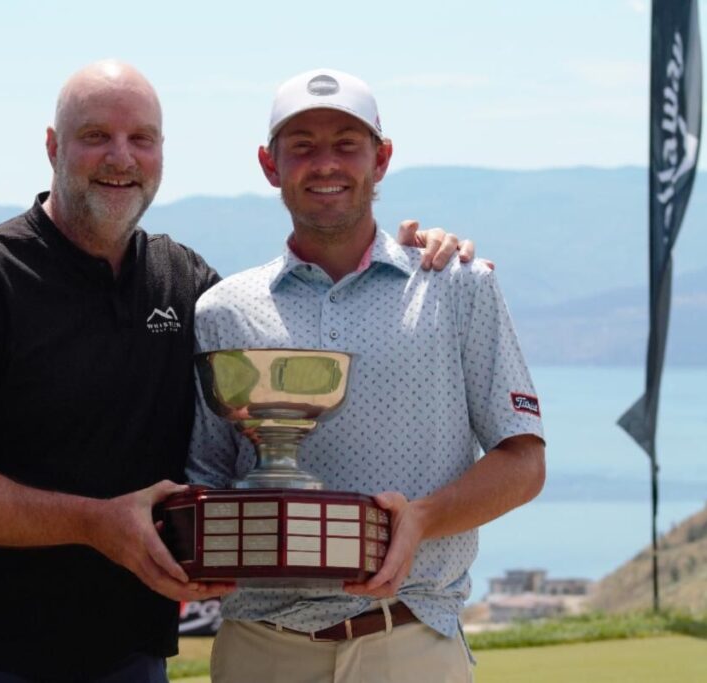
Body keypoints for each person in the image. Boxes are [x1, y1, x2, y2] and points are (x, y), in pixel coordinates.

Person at [0, 60, 474, 682]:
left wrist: (406, 255)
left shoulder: (181, 280)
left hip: (133, 655)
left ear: (161, 151)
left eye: (141, 138)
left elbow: (278, 337)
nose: (120, 157)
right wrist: (93, 524)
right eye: (95, 136)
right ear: (53, 146)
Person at [186, 68, 546, 683]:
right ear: (270, 166)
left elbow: (523, 462)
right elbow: (207, 474)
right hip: (259, 648)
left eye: (346, 145)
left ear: (380, 160)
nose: (325, 164)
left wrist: (422, 519)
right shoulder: (223, 310)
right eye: (301, 147)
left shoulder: (457, 287)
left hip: (410, 642)